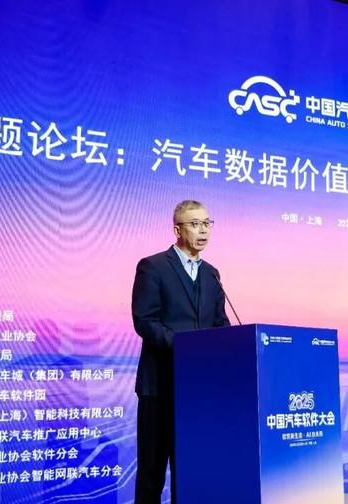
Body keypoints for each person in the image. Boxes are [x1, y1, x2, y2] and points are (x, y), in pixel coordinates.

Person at [131, 199, 230, 504]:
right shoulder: (153, 267)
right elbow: (145, 320)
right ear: (177, 230)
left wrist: (233, 343)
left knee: (191, 469)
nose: (203, 231)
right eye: (195, 224)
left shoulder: (212, 274)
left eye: (207, 224)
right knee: (152, 473)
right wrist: (185, 347)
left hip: (198, 390)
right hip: (160, 386)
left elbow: (220, 323)